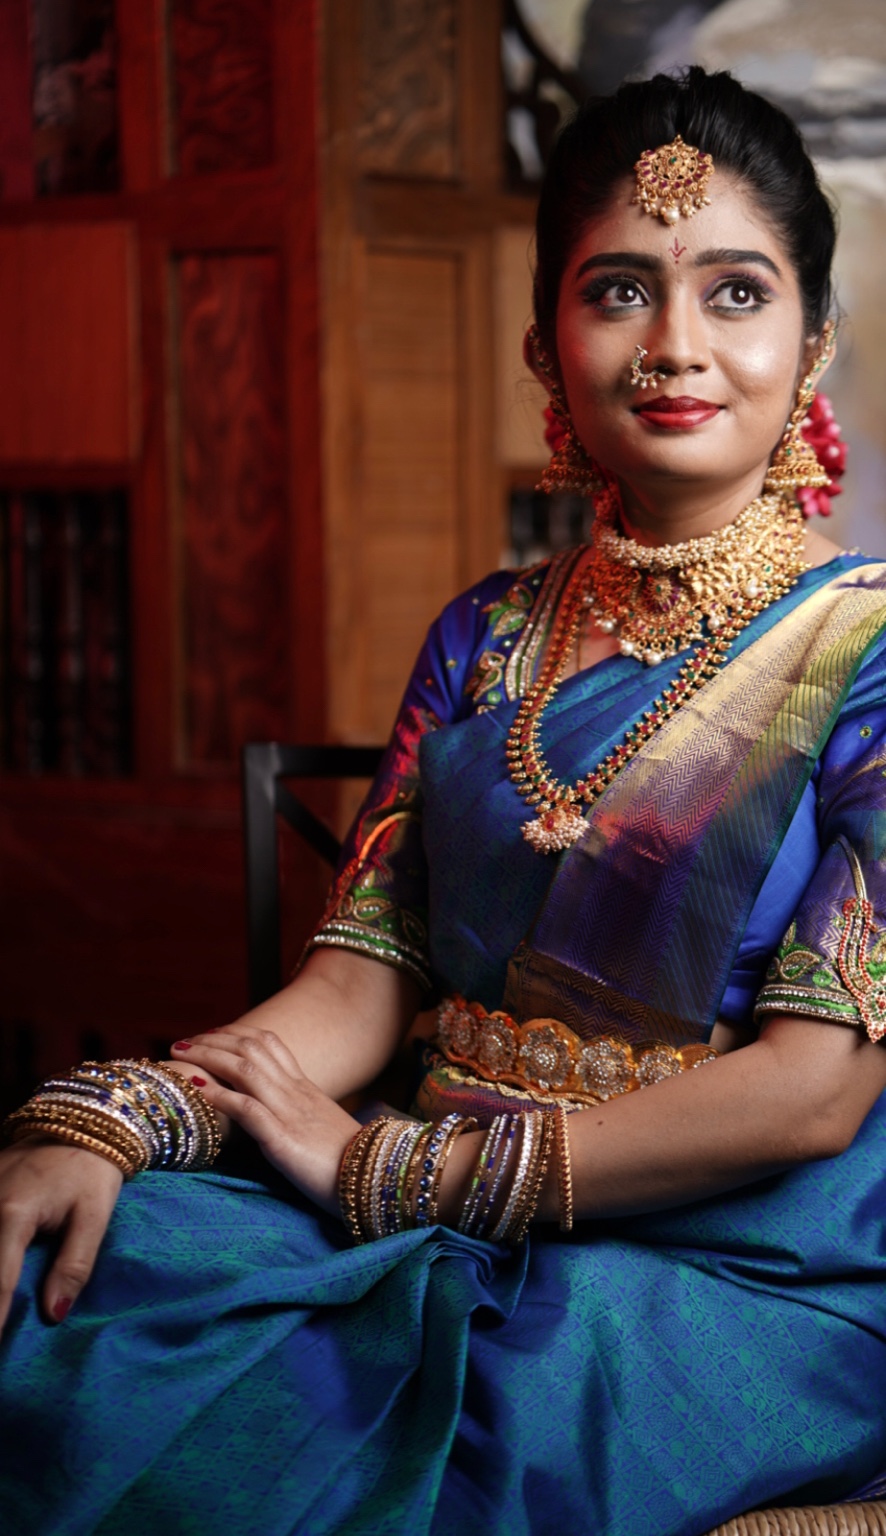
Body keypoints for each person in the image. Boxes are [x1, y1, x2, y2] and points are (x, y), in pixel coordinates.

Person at [1, 64, 886, 1536]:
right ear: (546, 341)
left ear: (811, 344)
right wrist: (124, 1109)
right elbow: (363, 976)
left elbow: (813, 1092)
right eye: (618, 291)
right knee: (75, 1277)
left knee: (421, 1454)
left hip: (730, 1263)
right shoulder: (484, 636)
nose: (674, 347)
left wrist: (397, 1171)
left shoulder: (867, 647)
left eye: (734, 293)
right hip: (410, 1190)